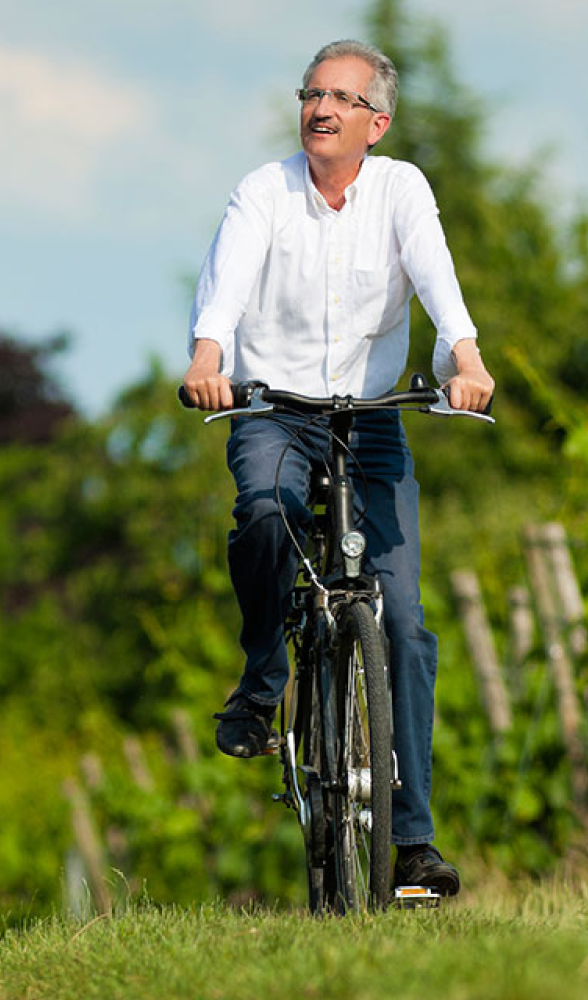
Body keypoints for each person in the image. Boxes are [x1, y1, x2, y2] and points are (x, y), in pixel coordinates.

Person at [183, 40, 494, 896]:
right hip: (273, 408)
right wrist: (208, 357)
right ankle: (261, 675)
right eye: (312, 93)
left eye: (341, 98)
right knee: (264, 510)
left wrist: (463, 357)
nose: (320, 108)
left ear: (376, 122)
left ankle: (413, 842)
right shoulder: (263, 191)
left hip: (371, 418)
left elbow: (436, 277)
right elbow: (226, 287)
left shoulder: (402, 190)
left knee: (402, 622)